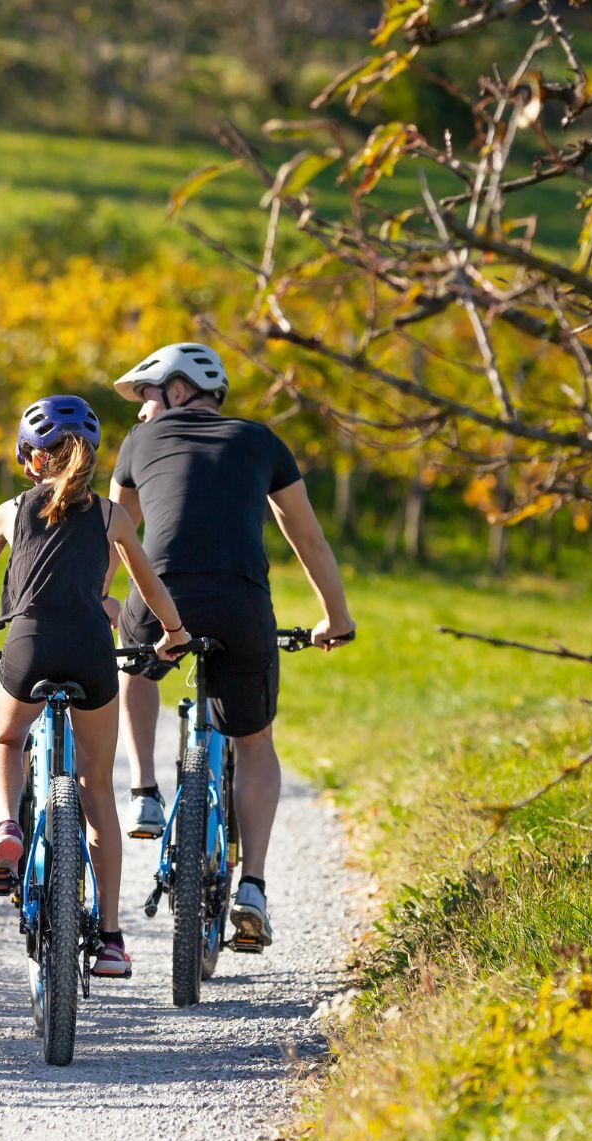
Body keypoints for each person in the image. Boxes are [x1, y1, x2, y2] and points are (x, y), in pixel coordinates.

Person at [0, 394, 192, 979]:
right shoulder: (111, 516)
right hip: (92, 649)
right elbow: (151, 587)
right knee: (97, 796)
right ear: (90, 458)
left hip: (29, 643)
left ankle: (8, 825)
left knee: (6, 741)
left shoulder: (9, 511)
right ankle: (112, 939)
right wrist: (173, 634)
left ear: (30, 459)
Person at [106, 342, 356, 949]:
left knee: (136, 665)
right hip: (242, 603)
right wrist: (336, 617)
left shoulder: (138, 445)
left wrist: (98, 600)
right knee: (255, 741)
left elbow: (113, 534)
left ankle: (143, 792)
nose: (142, 412)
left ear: (179, 390)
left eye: (147, 397)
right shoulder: (262, 441)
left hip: (161, 594)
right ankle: (254, 888)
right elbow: (308, 537)